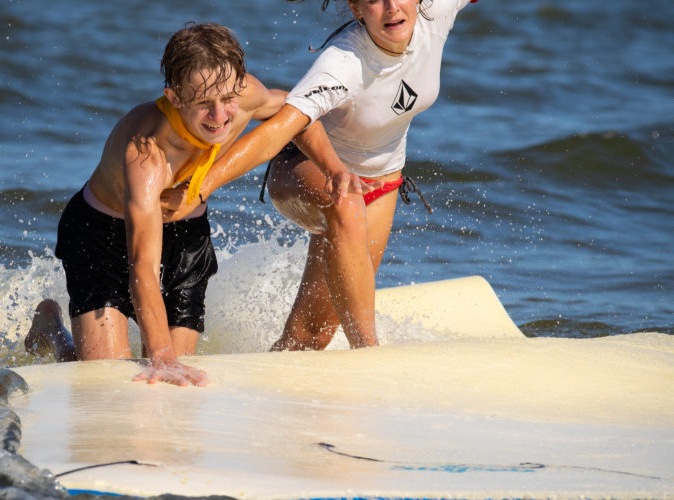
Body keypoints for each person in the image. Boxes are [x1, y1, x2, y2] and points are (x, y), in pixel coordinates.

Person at [162, 0, 478, 351]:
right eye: (374, 0)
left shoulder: (437, 14)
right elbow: (275, 132)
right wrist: (198, 189)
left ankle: (274, 394)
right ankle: (370, 358)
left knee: (311, 336)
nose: (391, 7)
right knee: (346, 204)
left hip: (381, 183)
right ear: (356, 9)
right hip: (305, 169)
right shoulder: (342, 63)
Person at [25, 22, 288, 386]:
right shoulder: (147, 154)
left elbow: (301, 111)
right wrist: (162, 358)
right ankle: (52, 329)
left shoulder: (244, 95)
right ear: (175, 97)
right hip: (102, 234)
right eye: (202, 104)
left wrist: (336, 168)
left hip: (185, 235)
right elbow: (142, 265)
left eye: (227, 98)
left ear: (239, 85)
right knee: (105, 379)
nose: (220, 116)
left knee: (178, 380)